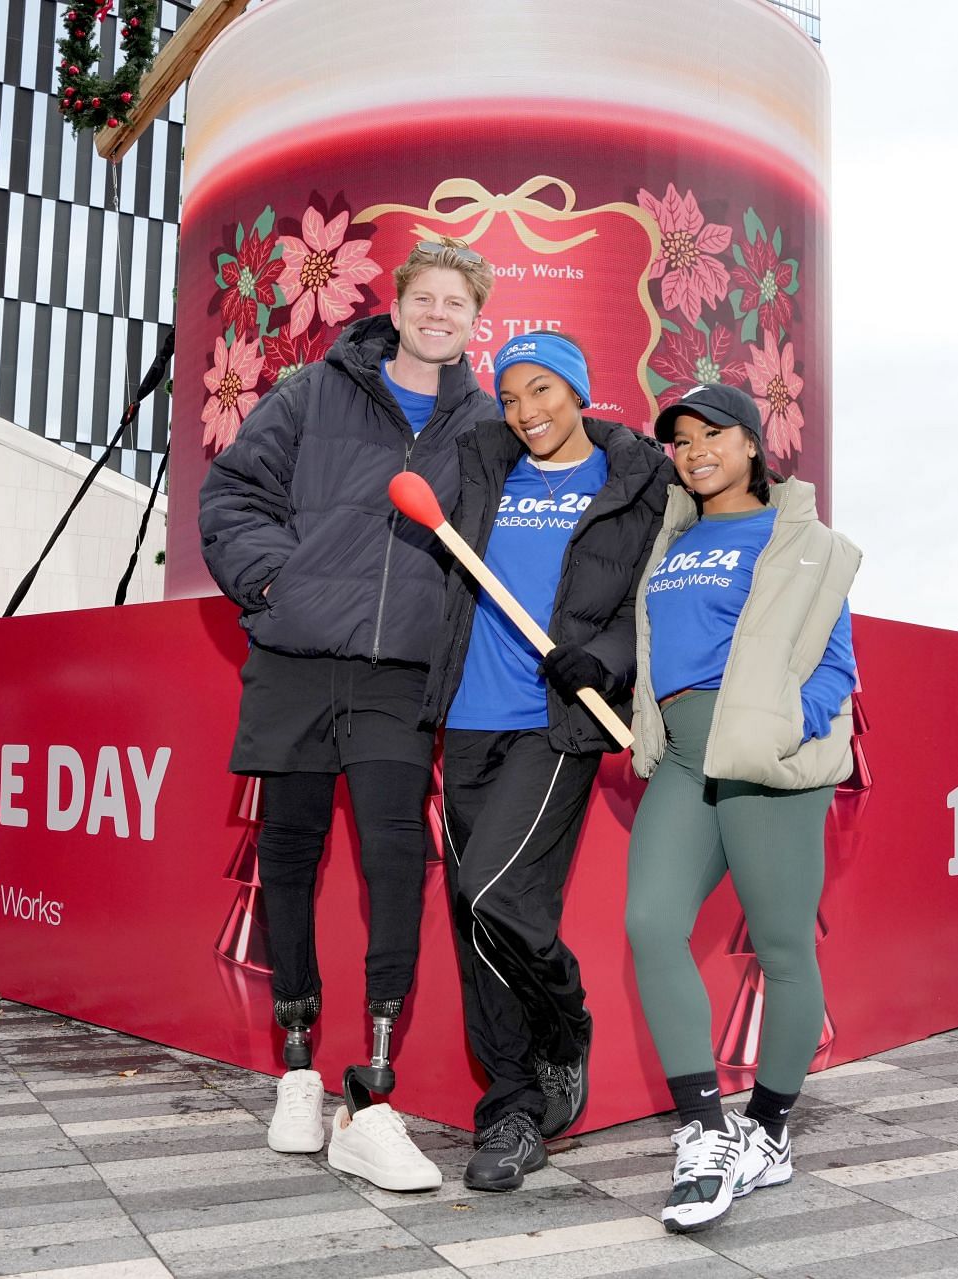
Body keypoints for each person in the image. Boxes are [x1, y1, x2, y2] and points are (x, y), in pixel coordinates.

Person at [198, 238, 498, 1193]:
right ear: (398, 304)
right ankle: (296, 1069)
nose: (438, 313)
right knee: (286, 854)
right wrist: (275, 580)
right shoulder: (312, 391)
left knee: (393, 861)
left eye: (457, 303)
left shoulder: (484, 427)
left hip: (398, 678)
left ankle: (372, 1094)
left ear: (473, 320)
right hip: (293, 657)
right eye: (426, 297)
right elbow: (232, 492)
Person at [421, 331, 672, 1192]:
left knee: (490, 889)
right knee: (476, 922)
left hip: (556, 722)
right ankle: (515, 1110)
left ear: (580, 390)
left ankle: (566, 1028)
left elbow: (654, 595)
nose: (526, 411)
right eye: (512, 395)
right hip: (466, 719)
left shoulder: (637, 481)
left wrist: (604, 655)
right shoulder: (482, 467)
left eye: (543, 391)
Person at [622, 382, 860, 1233]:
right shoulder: (672, 540)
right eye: (679, 442)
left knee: (783, 946)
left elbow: (836, 664)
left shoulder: (803, 540)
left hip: (764, 759)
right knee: (651, 922)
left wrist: (779, 726)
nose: (692, 451)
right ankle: (703, 1129)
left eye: (710, 435)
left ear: (753, 443)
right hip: (684, 756)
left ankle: (766, 1128)